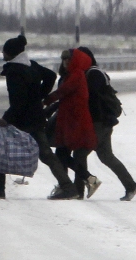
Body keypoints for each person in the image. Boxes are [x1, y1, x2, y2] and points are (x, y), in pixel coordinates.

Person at [0, 35, 80, 200]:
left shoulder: (14, 71)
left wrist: (6, 119)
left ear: (11, 53)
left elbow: (18, 101)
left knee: (1, 146)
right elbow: (50, 76)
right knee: (46, 154)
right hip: (36, 117)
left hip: (22, 118)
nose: (3, 53)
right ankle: (68, 187)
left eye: (4, 51)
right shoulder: (31, 65)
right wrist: (39, 96)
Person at [78, 46, 136, 201]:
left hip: (99, 122)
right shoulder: (95, 72)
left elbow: (91, 99)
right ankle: (130, 185)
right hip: (105, 122)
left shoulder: (93, 74)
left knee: (80, 154)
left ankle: (78, 189)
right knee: (106, 156)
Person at [45, 49, 101, 199]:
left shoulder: (76, 75)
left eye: (68, 59)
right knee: (62, 153)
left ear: (75, 60)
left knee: (61, 153)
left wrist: (46, 100)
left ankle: (71, 186)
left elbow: (63, 91)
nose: (65, 62)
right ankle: (83, 181)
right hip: (69, 119)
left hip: (75, 121)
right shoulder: (69, 75)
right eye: (63, 59)